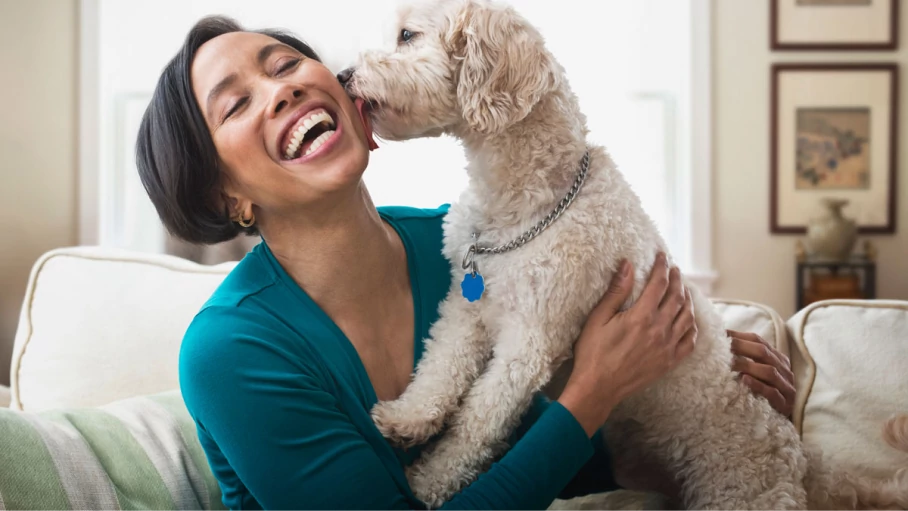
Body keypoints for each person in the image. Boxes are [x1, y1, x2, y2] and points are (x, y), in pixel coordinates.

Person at [135, 15, 797, 511]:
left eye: (283, 65)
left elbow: (550, 457)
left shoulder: (471, 244)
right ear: (225, 194)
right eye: (237, 102)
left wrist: (681, 365)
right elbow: (568, 417)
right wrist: (593, 390)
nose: (279, 91)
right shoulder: (232, 349)